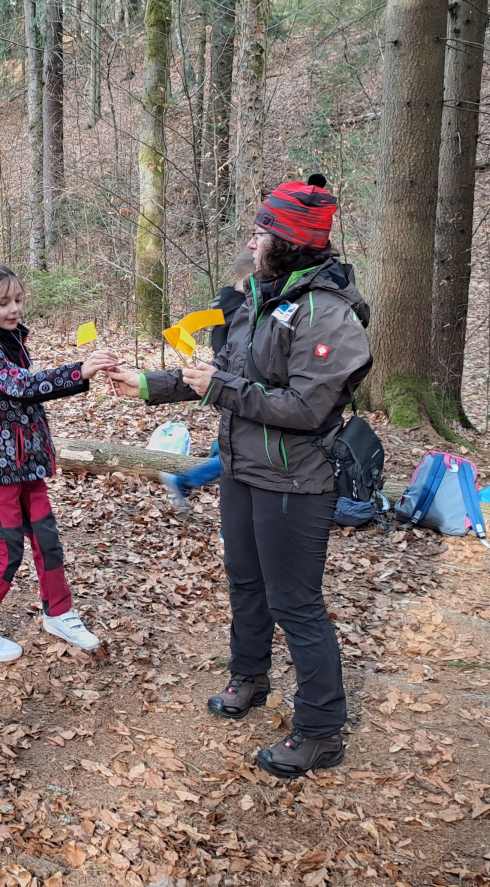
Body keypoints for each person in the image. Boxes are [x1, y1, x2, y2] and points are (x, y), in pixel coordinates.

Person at [110, 175, 371, 777]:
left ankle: (320, 730)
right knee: (246, 582)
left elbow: (306, 408)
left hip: (296, 480)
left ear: (290, 242)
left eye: (261, 234)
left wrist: (220, 387)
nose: (251, 244)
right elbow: (223, 372)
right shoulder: (261, 298)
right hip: (241, 468)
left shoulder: (328, 315)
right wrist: (148, 384)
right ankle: (249, 676)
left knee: (295, 602)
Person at [0, 264, 120, 663]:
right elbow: (20, 386)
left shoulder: (13, 340)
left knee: (47, 539)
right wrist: (80, 371)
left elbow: (24, 400)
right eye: (3, 303)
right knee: (7, 550)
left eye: (18, 300)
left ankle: (58, 612)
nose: (14, 309)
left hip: (27, 463)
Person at [163, 248, 257, 512]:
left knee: (230, 444)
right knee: (237, 451)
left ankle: (197, 476)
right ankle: (186, 480)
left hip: (226, 380)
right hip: (229, 381)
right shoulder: (241, 306)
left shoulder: (226, 299)